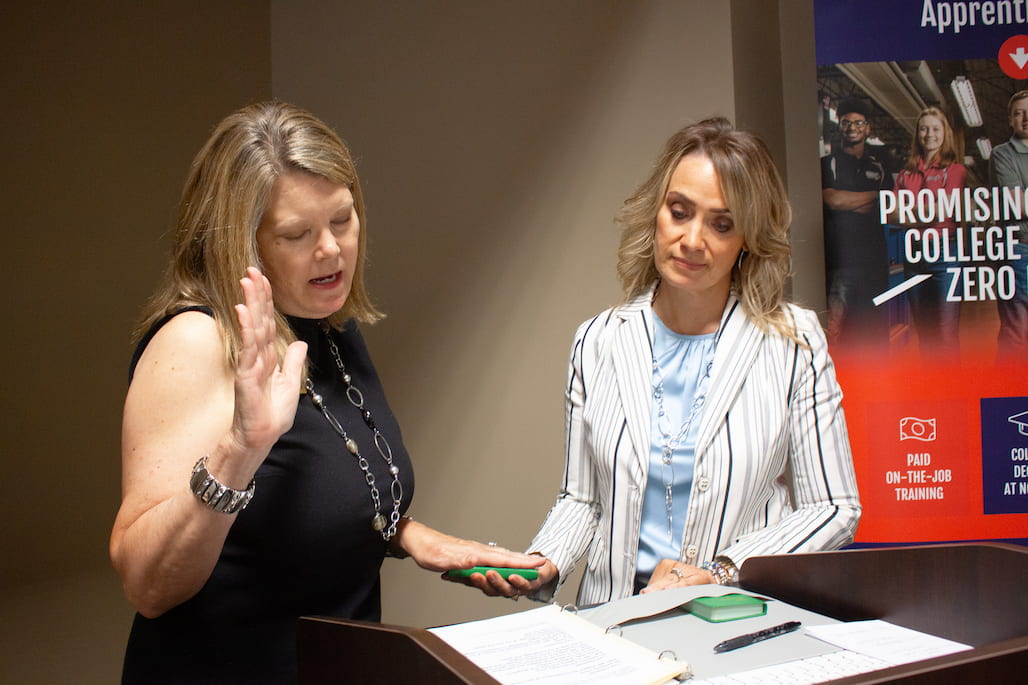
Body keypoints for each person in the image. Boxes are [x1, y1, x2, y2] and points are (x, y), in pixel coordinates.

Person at [109, 101, 542, 684]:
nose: (331, 249)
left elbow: (311, 496)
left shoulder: (329, 326)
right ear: (244, 245)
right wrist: (242, 447)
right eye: (297, 234)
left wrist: (409, 534)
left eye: (342, 220)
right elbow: (148, 585)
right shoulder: (194, 341)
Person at [454, 118, 861, 606]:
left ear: (748, 238)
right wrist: (543, 565)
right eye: (680, 211)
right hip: (614, 622)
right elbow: (582, 499)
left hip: (732, 617)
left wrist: (720, 572)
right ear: (657, 213)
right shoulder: (597, 341)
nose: (692, 239)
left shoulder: (793, 341)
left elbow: (833, 507)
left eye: (722, 223)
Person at [891, 107, 967, 360]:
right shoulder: (906, 173)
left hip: (945, 255)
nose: (929, 134)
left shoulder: (955, 171)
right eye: (924, 128)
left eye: (935, 128)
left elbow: (940, 211)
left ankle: (952, 394)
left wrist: (910, 213)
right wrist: (924, 212)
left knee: (945, 336)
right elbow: (892, 215)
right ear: (917, 134)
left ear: (944, 133)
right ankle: (933, 395)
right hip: (914, 258)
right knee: (924, 336)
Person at [821, 98, 890, 350]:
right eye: (846, 122)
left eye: (858, 122)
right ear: (839, 127)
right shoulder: (827, 163)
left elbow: (889, 207)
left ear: (868, 129)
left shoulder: (879, 167)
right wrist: (874, 195)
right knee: (835, 332)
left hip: (873, 264)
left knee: (871, 332)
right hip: (839, 265)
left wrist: (850, 201)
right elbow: (833, 200)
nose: (852, 127)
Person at [988, 90, 1028, 361]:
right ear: (1010, 120)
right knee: (1017, 331)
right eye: (1018, 113)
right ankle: (1010, 400)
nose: (1025, 118)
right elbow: (1018, 204)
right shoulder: (1002, 154)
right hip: (1020, 251)